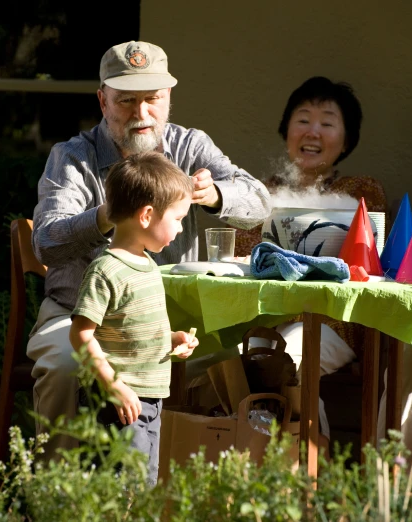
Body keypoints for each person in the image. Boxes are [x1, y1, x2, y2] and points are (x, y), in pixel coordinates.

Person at [29, 40, 271, 459]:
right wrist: (108, 214)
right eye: (126, 101)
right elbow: (46, 241)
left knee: (247, 373)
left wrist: (214, 194)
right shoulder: (72, 157)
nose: (142, 114)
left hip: (172, 323)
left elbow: (260, 203)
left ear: (169, 98)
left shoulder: (190, 147)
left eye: (153, 99)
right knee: (65, 369)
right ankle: (58, 498)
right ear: (103, 101)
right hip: (79, 318)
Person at [70, 151, 199, 486]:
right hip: (116, 401)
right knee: (119, 487)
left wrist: (173, 339)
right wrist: (113, 386)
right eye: (178, 218)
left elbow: (133, 327)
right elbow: (81, 335)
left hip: (148, 399)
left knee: (142, 483)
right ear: (146, 216)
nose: (181, 227)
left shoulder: (147, 265)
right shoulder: (106, 269)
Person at [235, 76, 388, 258]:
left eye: (327, 124)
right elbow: (241, 256)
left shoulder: (362, 191)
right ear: (286, 130)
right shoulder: (257, 194)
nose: (312, 133)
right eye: (303, 121)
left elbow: (365, 256)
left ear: (346, 141)